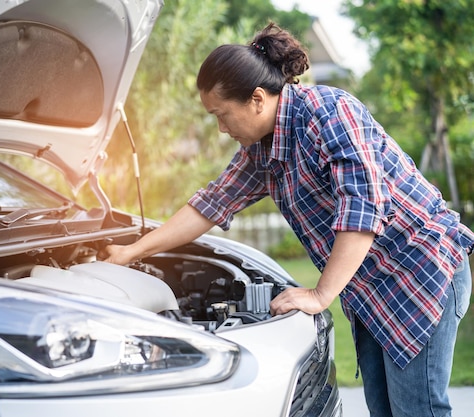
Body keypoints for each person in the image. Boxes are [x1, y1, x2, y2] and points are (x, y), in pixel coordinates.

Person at [100, 22, 474, 417]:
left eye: (223, 115)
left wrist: (319, 295)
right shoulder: (261, 149)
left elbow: (362, 211)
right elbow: (209, 204)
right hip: (369, 285)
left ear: (257, 99)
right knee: (383, 410)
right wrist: (130, 251)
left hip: (419, 272)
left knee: (418, 410)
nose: (221, 128)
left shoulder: (330, 113)